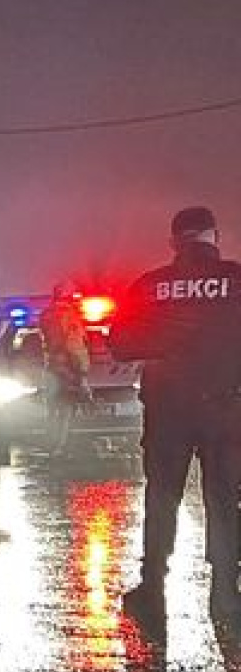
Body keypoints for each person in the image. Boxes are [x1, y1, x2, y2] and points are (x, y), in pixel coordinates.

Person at [112, 206, 241, 623]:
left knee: (163, 496)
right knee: (224, 498)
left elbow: (121, 344)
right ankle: (226, 591)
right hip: (227, 408)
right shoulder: (237, 280)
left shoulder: (150, 287)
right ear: (214, 236)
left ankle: (152, 588)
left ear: (174, 242)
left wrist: (163, 342)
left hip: (168, 410)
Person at [39, 282, 92, 451]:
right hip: (68, 367)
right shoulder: (69, 316)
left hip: (51, 367)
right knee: (67, 409)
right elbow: (75, 346)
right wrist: (82, 370)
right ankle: (61, 447)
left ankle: (52, 443)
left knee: (53, 408)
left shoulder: (46, 315)